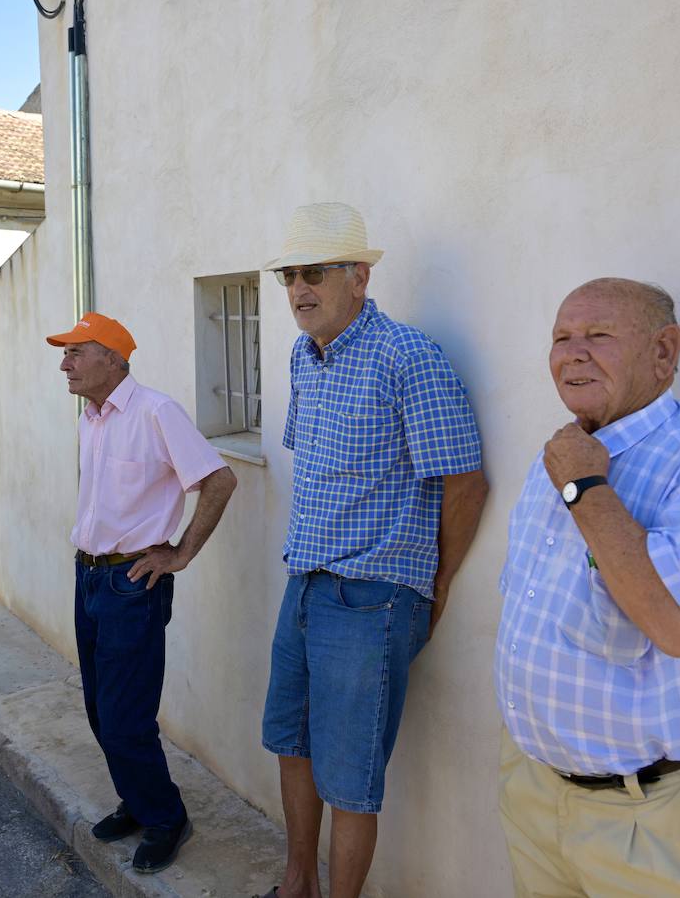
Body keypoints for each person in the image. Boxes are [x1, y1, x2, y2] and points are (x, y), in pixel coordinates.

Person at [495, 278, 680, 897]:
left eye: (598, 336)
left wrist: (585, 489)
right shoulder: (566, 451)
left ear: (664, 352)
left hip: (667, 813)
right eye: (561, 338)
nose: (573, 354)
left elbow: (678, 625)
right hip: (542, 798)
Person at [257, 203, 488, 898]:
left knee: (351, 776)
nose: (299, 289)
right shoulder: (305, 355)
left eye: (314, 274)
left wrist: (432, 589)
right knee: (290, 744)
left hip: (372, 597)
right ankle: (298, 884)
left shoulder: (408, 357)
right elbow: (316, 469)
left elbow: (465, 481)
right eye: (290, 276)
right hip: (304, 582)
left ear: (358, 277)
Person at [46, 312, 237, 874]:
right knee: (101, 713)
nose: (65, 364)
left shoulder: (157, 412)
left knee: (126, 717)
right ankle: (138, 798)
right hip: (89, 576)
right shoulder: (91, 418)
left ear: (112, 357)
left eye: (75, 352)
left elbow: (219, 481)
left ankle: (165, 817)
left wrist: (179, 554)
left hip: (133, 584)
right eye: (65, 353)